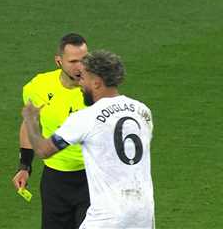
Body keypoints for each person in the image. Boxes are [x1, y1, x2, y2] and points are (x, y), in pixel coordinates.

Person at [22, 50, 155, 229]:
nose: (80, 83)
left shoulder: (85, 118)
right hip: (143, 213)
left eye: (83, 78)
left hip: (106, 217)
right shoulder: (143, 111)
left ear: (97, 83)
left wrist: (30, 121)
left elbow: (43, 150)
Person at [12, 33, 90, 229]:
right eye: (73, 61)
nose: (80, 67)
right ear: (58, 61)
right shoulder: (38, 86)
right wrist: (24, 166)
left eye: (84, 60)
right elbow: (30, 124)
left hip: (91, 177)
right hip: (55, 181)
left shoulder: (97, 89)